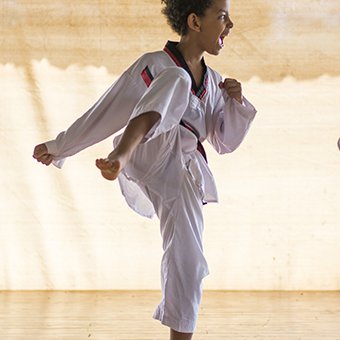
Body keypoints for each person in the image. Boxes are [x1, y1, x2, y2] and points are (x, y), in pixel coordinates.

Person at [33, 0, 257, 338]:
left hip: (183, 173)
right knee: (178, 80)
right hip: (145, 151)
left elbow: (224, 142)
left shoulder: (214, 81)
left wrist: (236, 103)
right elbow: (107, 109)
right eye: (223, 17)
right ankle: (121, 154)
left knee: (190, 259)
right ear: (195, 21)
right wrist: (60, 146)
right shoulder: (155, 64)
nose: (231, 26)